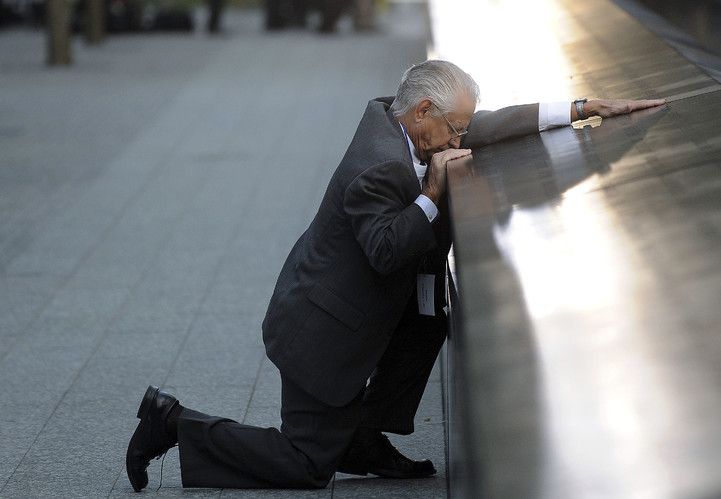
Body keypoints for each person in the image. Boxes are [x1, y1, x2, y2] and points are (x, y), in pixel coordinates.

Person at [125, 60, 665, 491]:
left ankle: (361, 436)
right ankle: (171, 422)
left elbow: (487, 124)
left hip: (347, 308)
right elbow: (384, 251)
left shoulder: (404, 118)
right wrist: (432, 193)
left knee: (430, 316)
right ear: (425, 110)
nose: (460, 141)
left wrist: (578, 108)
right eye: (455, 130)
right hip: (319, 331)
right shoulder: (379, 163)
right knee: (307, 465)